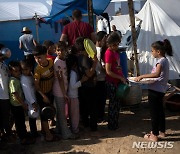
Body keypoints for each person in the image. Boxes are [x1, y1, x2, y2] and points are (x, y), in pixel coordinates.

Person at [135, 39, 173, 142]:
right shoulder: (165, 60)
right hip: (160, 90)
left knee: (154, 113)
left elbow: (156, 74)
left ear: (158, 52)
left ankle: (154, 134)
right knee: (160, 111)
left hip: (155, 91)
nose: (151, 52)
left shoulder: (160, 62)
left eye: (152, 50)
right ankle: (162, 131)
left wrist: (142, 76)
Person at [33, 45, 59, 142]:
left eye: (39, 57)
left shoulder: (51, 62)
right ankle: (48, 136)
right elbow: (36, 86)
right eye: (35, 58)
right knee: (44, 113)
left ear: (45, 55)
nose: (37, 60)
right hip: (42, 94)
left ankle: (47, 129)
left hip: (50, 92)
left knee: (51, 110)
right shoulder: (38, 70)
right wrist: (43, 96)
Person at [53, 41, 77, 139]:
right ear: (55, 51)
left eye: (62, 50)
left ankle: (59, 130)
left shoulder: (63, 60)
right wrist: (64, 93)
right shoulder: (58, 62)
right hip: (59, 91)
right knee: (62, 114)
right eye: (58, 50)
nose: (60, 52)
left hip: (63, 90)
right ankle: (66, 134)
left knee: (60, 112)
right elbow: (60, 79)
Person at [74, 37, 98, 131]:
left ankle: (87, 124)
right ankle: (93, 127)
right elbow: (89, 73)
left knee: (85, 108)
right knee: (92, 108)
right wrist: (95, 62)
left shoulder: (80, 57)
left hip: (84, 87)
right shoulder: (84, 59)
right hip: (88, 86)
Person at [104, 32, 126, 130]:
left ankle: (115, 122)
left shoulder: (115, 52)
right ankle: (112, 124)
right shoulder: (108, 53)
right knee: (113, 104)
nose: (115, 46)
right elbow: (108, 71)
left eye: (116, 44)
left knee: (117, 104)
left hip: (117, 81)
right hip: (112, 82)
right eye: (113, 45)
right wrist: (119, 77)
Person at [8, 61, 34, 145]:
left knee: (22, 121)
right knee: (19, 122)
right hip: (16, 105)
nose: (18, 72)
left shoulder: (17, 79)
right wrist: (23, 104)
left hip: (19, 105)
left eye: (19, 70)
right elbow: (15, 94)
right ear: (11, 72)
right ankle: (22, 138)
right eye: (15, 71)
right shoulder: (12, 81)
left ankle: (24, 135)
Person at [66, 54, 88, 133]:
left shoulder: (69, 72)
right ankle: (75, 129)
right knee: (75, 115)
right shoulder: (73, 73)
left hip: (71, 95)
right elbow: (73, 86)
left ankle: (73, 128)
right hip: (73, 96)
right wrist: (82, 81)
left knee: (72, 114)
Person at [20, 60, 39, 138]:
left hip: (33, 98)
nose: (25, 71)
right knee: (32, 117)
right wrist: (33, 103)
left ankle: (35, 132)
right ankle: (33, 133)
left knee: (34, 117)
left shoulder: (30, 75)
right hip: (30, 100)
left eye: (26, 69)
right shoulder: (23, 79)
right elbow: (27, 92)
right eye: (23, 70)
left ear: (30, 68)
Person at [0, 44, 13, 142]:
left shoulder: (4, 64)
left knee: (7, 115)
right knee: (4, 116)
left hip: (7, 95)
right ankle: (6, 133)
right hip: (1, 96)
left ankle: (7, 132)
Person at [95, 31, 108, 122]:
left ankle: (99, 115)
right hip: (101, 78)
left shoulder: (93, 49)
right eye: (105, 39)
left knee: (97, 99)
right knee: (101, 99)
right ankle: (100, 116)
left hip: (95, 78)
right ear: (100, 40)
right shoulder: (101, 51)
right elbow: (104, 66)